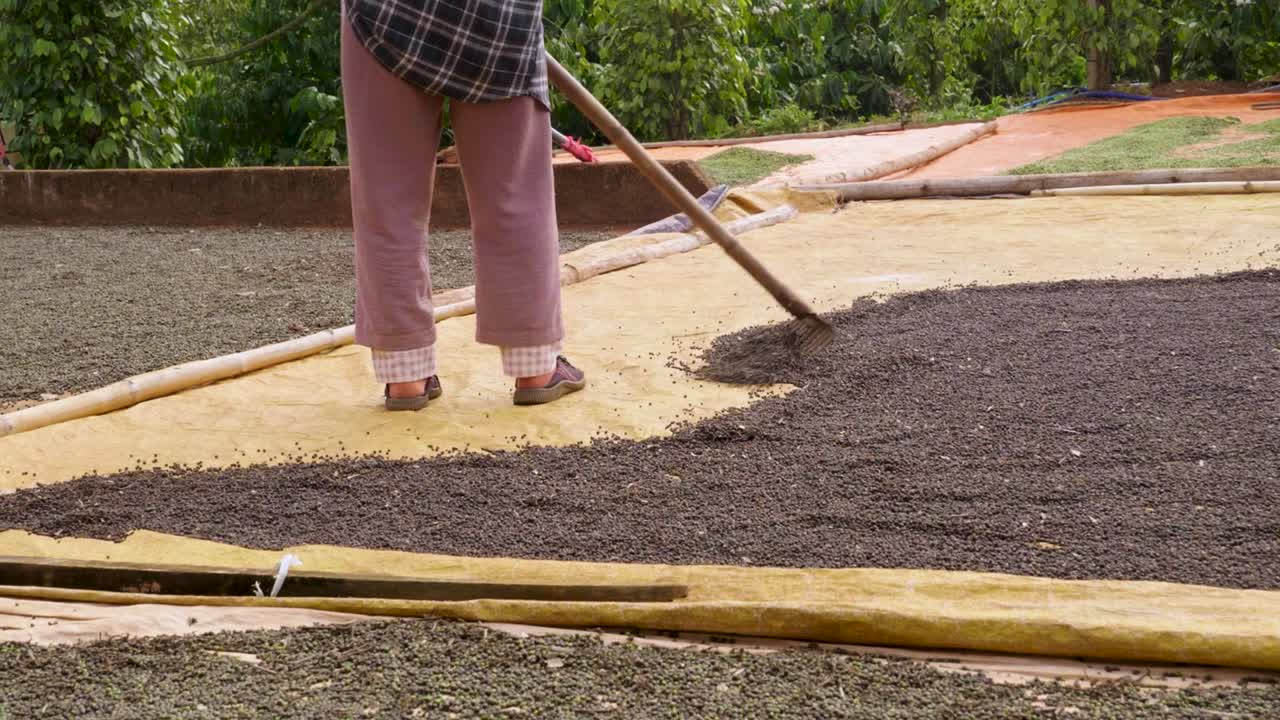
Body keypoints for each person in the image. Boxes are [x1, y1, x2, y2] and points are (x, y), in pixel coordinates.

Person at [340, 0, 586, 411]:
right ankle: (536, 367)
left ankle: (405, 377)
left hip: (384, 16)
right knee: (514, 191)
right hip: (497, 19)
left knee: (387, 196)